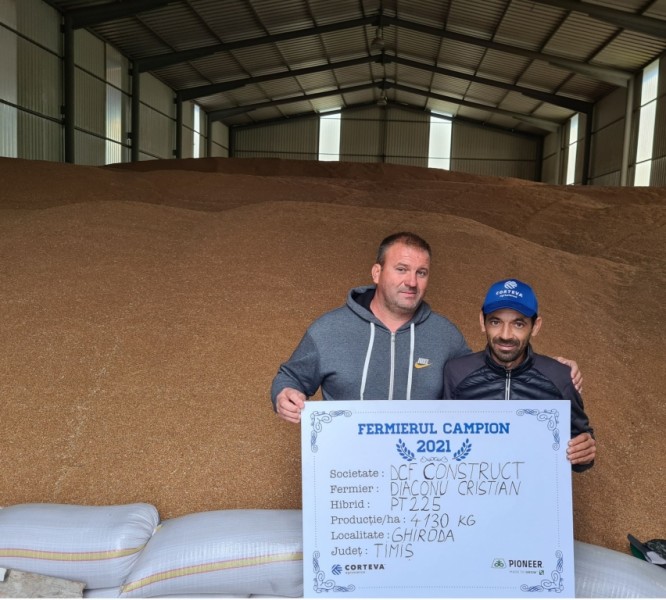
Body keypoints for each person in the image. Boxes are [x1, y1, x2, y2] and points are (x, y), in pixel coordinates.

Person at [271, 233, 582, 424]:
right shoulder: (329, 330)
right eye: (401, 269)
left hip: (422, 484)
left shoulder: (445, 336)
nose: (412, 281)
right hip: (350, 478)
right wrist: (284, 394)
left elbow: (485, 373)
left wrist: (550, 368)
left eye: (421, 272)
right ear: (377, 272)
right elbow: (291, 376)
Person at [443, 278, 596, 471]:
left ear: (536, 326)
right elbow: (442, 437)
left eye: (518, 324)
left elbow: (580, 444)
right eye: (495, 322)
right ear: (482, 321)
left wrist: (584, 453)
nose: (505, 335)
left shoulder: (560, 378)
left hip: (535, 488)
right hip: (472, 486)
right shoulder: (456, 372)